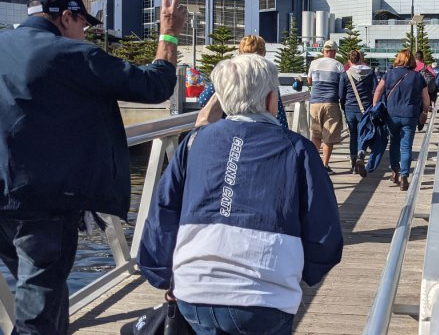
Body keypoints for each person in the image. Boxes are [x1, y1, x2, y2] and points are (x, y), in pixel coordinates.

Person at [0, 0, 186, 334]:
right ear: (66, 16)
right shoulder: (70, 54)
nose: (85, 33)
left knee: (43, 296)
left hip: (5, 196)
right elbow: (154, 85)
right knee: (38, 307)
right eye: (83, 23)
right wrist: (168, 34)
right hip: (43, 202)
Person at [139, 55, 342, 335]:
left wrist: (163, 274)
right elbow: (325, 232)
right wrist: (304, 273)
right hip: (264, 297)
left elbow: (163, 211)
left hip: (194, 291)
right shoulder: (298, 150)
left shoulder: (194, 141)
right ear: (273, 100)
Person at [196, 35, 289, 129]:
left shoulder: (231, 72)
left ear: (239, 52)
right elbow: (278, 112)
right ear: (264, 53)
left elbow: (203, 99)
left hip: (231, 128)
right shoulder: (268, 76)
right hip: (262, 129)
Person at [372, 49, 430, 191]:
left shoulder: (389, 74)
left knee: (394, 144)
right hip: (410, 115)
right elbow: (426, 99)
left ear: (398, 59)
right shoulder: (418, 77)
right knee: (406, 146)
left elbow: (378, 91)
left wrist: (375, 107)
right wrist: (424, 112)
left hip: (392, 114)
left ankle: (395, 172)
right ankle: (405, 176)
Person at [307, 40, 344, 173]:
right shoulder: (338, 65)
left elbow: (309, 81)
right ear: (334, 51)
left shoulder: (314, 63)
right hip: (331, 102)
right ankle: (324, 165)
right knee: (329, 135)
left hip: (314, 102)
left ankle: (314, 163)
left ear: (324, 50)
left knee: (316, 134)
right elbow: (341, 85)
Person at [339, 50, 377, 177]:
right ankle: (361, 152)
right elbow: (375, 90)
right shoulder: (370, 73)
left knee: (353, 135)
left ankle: (354, 164)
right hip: (365, 108)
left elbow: (341, 95)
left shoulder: (345, 75)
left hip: (350, 108)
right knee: (364, 133)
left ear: (349, 61)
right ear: (361, 59)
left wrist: (344, 106)